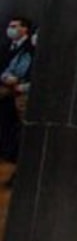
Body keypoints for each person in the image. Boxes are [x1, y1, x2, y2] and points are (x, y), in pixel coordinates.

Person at [0, 16, 35, 165]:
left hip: (22, 93)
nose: (11, 29)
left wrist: (20, 86)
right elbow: (7, 70)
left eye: (15, 26)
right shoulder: (9, 48)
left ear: (25, 29)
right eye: (10, 26)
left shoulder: (29, 50)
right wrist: (6, 78)